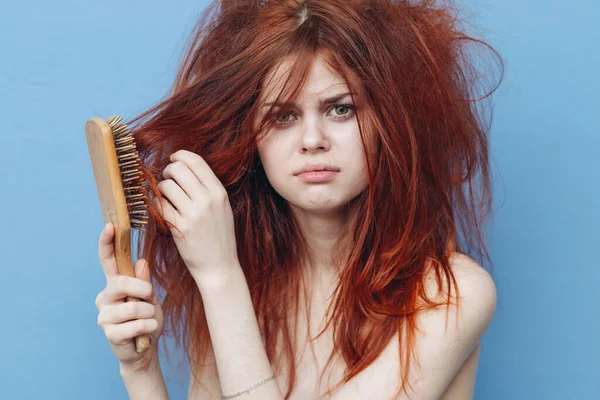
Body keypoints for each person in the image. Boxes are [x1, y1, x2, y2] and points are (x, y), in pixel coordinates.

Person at [94, 0, 503, 398]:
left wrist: (220, 278)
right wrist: (140, 372)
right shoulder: (247, 284)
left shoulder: (453, 296)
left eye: (341, 109)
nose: (312, 140)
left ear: (388, 122)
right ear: (251, 136)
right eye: (283, 116)